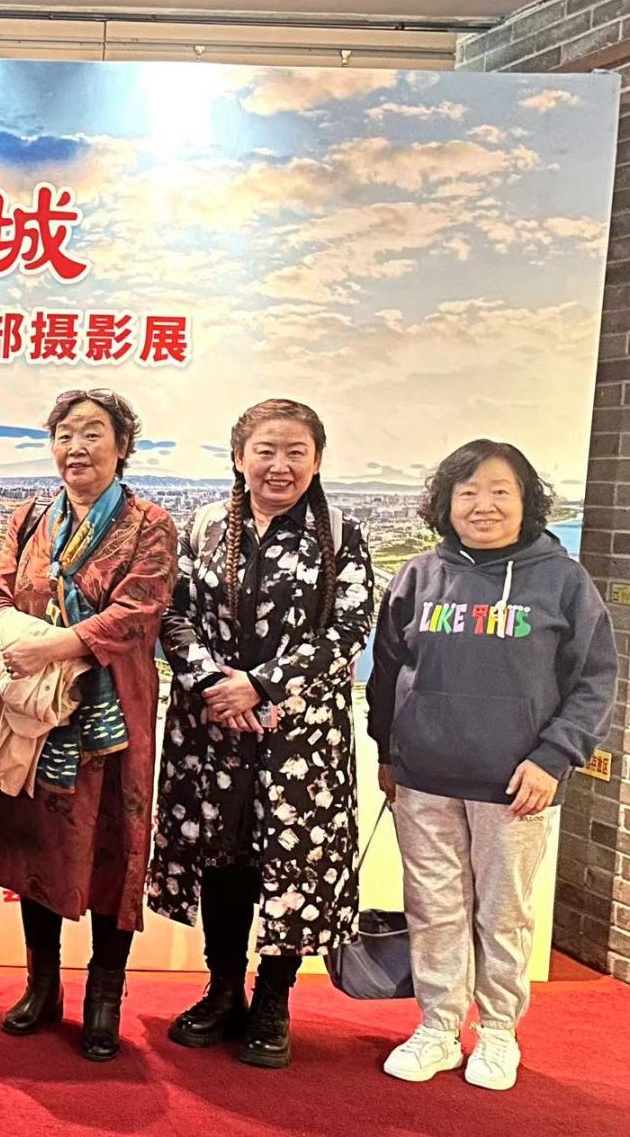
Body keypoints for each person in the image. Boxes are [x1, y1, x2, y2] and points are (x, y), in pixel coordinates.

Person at [370, 439, 617, 1091]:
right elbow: (387, 672)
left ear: (526, 500)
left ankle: (500, 1030)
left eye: (500, 490)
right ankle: (438, 1027)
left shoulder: (562, 580)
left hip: (517, 784)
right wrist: (388, 752)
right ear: (446, 502)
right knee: (433, 907)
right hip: (424, 778)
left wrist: (553, 757)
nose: (484, 504)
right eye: (468, 491)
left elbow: (595, 680)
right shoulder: (418, 576)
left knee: (503, 914)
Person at [150, 399, 375, 1069]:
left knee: (289, 863)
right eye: (265, 450)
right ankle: (222, 988)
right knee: (224, 858)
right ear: (238, 457)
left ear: (317, 460)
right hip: (213, 727)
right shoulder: (204, 527)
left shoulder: (341, 535)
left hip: (300, 737)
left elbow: (348, 630)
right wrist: (213, 684)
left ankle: (274, 998)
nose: (280, 464)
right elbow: (173, 616)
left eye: (295, 451)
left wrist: (261, 685)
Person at [0, 387, 176, 1062]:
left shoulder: (150, 523)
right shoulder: (31, 517)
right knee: (37, 840)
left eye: (93, 433)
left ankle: (104, 995)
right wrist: (29, 647)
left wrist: (54, 647)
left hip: (111, 713)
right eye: (65, 434)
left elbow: (139, 611)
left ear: (122, 446)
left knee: (110, 849)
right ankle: (42, 985)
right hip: (37, 714)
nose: (77, 447)